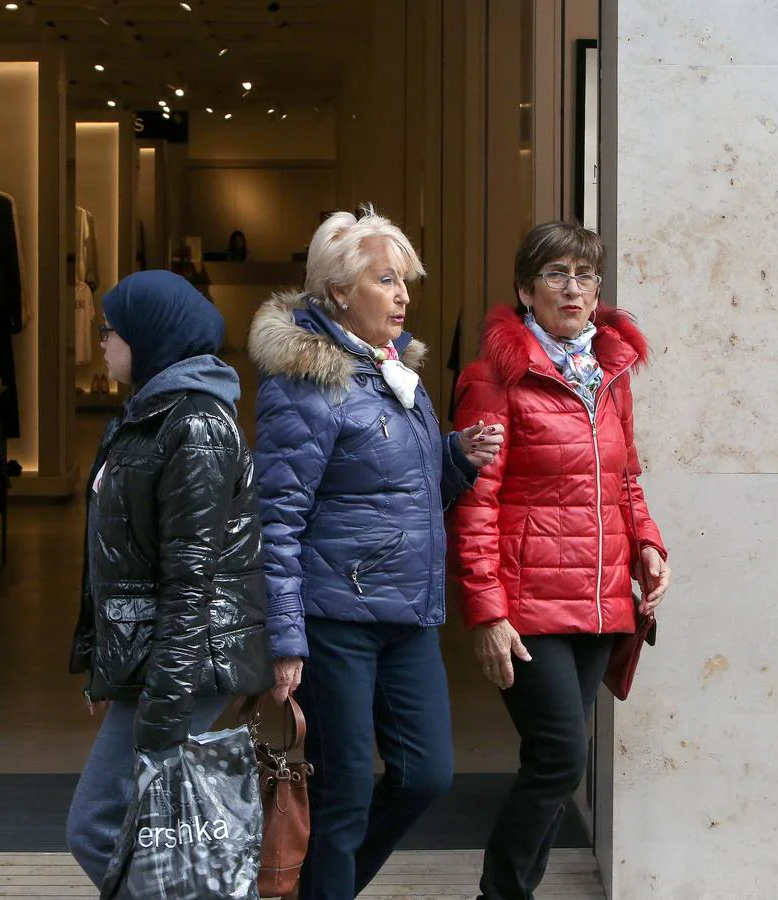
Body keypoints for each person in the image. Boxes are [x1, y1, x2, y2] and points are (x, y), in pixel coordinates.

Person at [249, 206, 504, 900]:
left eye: (404, 281)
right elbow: (278, 520)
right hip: (337, 618)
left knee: (426, 775)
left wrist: (456, 456)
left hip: (406, 611)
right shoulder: (304, 385)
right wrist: (285, 637)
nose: (402, 295)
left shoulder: (394, 372)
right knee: (342, 797)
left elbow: (405, 492)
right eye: (386, 280)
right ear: (337, 292)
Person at [450, 222, 671, 900]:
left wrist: (647, 545)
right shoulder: (492, 377)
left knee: (557, 765)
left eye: (583, 275)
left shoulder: (609, 374)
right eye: (554, 274)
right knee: (557, 758)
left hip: (599, 598)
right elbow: (472, 503)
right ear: (524, 290)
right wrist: (487, 613)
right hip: (529, 604)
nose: (571, 288)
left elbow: (625, 477)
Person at [66, 269, 274, 888]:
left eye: (113, 331)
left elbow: (192, 582)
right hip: (159, 658)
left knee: (100, 825)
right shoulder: (147, 416)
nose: (103, 342)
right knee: (140, 829)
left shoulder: (197, 427)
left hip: (187, 659)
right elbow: (116, 557)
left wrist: (161, 709)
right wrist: (104, 662)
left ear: (150, 337)